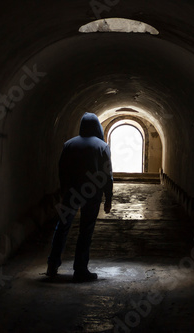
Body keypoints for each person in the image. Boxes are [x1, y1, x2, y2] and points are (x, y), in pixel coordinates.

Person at [46, 112, 113, 282]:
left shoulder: (69, 144)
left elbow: (62, 169)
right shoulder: (102, 146)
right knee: (86, 230)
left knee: (62, 227)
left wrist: (64, 189)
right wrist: (108, 199)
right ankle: (80, 269)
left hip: (72, 192)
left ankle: (52, 265)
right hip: (93, 193)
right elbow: (107, 175)